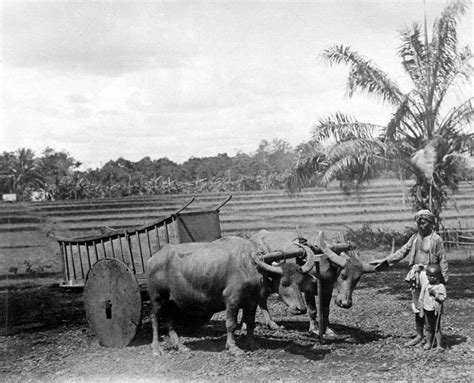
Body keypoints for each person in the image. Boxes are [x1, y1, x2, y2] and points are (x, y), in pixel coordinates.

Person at [370, 209, 448, 347]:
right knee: (417, 306)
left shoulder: (436, 239)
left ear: (431, 224)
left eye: (423, 222)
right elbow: (402, 252)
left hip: (430, 275)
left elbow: (443, 260)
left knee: (431, 306)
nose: (420, 225)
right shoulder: (414, 238)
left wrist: (443, 279)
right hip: (415, 274)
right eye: (418, 223)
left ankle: (433, 339)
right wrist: (385, 261)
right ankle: (419, 335)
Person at [419, 264, 446, 352]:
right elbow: (422, 296)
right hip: (427, 309)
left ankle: (439, 345)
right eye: (430, 276)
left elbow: (443, 298)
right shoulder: (426, 285)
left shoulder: (440, 286)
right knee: (428, 327)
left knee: (436, 328)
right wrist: (421, 306)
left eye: (435, 276)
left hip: (435, 310)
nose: (432, 278)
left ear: (438, 276)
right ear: (427, 276)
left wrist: (435, 294)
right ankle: (429, 342)